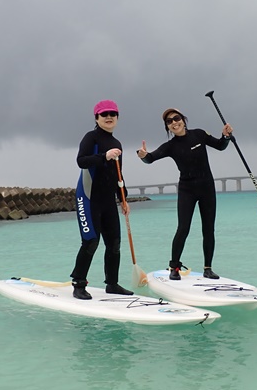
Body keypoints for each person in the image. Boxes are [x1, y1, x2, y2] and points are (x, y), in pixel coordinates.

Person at [137, 108, 233, 280]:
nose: (174, 122)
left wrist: (225, 136)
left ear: (183, 119)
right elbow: (151, 158)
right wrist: (143, 156)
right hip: (187, 190)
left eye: (176, 118)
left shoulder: (199, 134)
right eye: (169, 121)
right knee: (183, 228)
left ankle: (208, 268)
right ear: (167, 127)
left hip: (207, 189)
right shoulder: (170, 146)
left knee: (208, 229)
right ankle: (174, 267)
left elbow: (220, 146)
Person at [70, 99, 134, 300]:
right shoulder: (91, 138)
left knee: (114, 244)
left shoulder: (117, 144)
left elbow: (118, 174)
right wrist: (104, 156)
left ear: (117, 118)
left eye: (112, 114)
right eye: (104, 114)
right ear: (96, 118)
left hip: (108, 201)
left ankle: (112, 284)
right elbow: (81, 161)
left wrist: (123, 198)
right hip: (88, 199)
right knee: (90, 242)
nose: (109, 117)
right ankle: (78, 284)